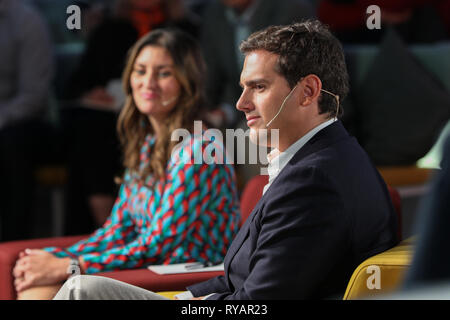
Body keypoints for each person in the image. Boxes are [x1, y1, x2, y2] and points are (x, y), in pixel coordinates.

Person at [53, 20, 399, 300]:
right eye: (243, 87)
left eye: (259, 87)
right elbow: (238, 279)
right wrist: (186, 299)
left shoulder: (313, 180)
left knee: (82, 291)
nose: (241, 103)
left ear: (308, 92)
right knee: (84, 288)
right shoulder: (324, 159)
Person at [13, 28, 241, 300]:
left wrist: (70, 265)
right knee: (38, 278)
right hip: (150, 266)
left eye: (164, 73)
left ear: (188, 81)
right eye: (140, 70)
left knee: (47, 285)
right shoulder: (148, 144)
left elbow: (158, 244)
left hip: (189, 280)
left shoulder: (201, 147)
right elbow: (117, 230)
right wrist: (56, 257)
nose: (148, 82)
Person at [0, 0, 53, 241]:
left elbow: (34, 97)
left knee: (14, 142)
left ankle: (13, 246)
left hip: (17, 122)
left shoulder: (26, 20)